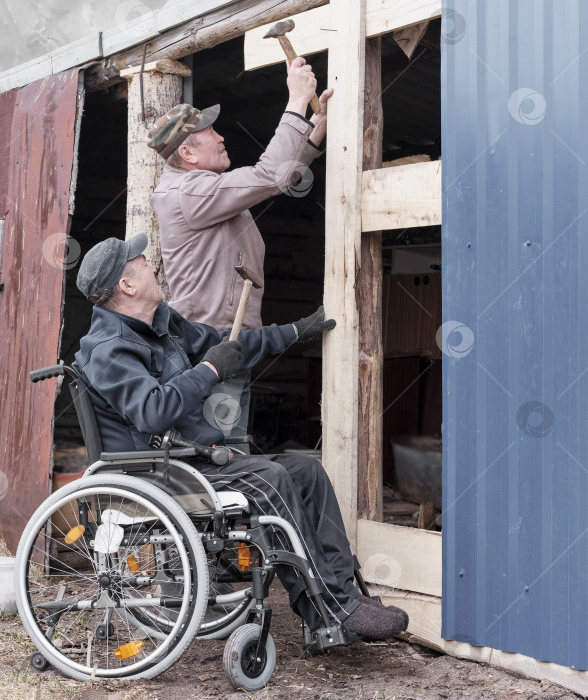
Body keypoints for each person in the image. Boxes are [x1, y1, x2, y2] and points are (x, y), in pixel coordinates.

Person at [72, 234, 409, 640]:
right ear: (126, 285)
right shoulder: (109, 349)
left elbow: (225, 347)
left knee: (306, 470)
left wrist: (295, 332)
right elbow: (154, 411)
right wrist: (210, 371)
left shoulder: (161, 323)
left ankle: (341, 596)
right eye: (144, 263)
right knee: (270, 479)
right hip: (158, 472)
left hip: (189, 459)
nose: (153, 266)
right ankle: (334, 608)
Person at [147, 57, 333, 447]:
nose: (221, 137)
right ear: (188, 155)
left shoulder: (200, 188)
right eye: (211, 134)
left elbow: (280, 178)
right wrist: (297, 101)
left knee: (226, 447)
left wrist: (313, 134)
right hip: (212, 344)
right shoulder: (190, 192)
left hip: (223, 342)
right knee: (221, 452)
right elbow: (271, 175)